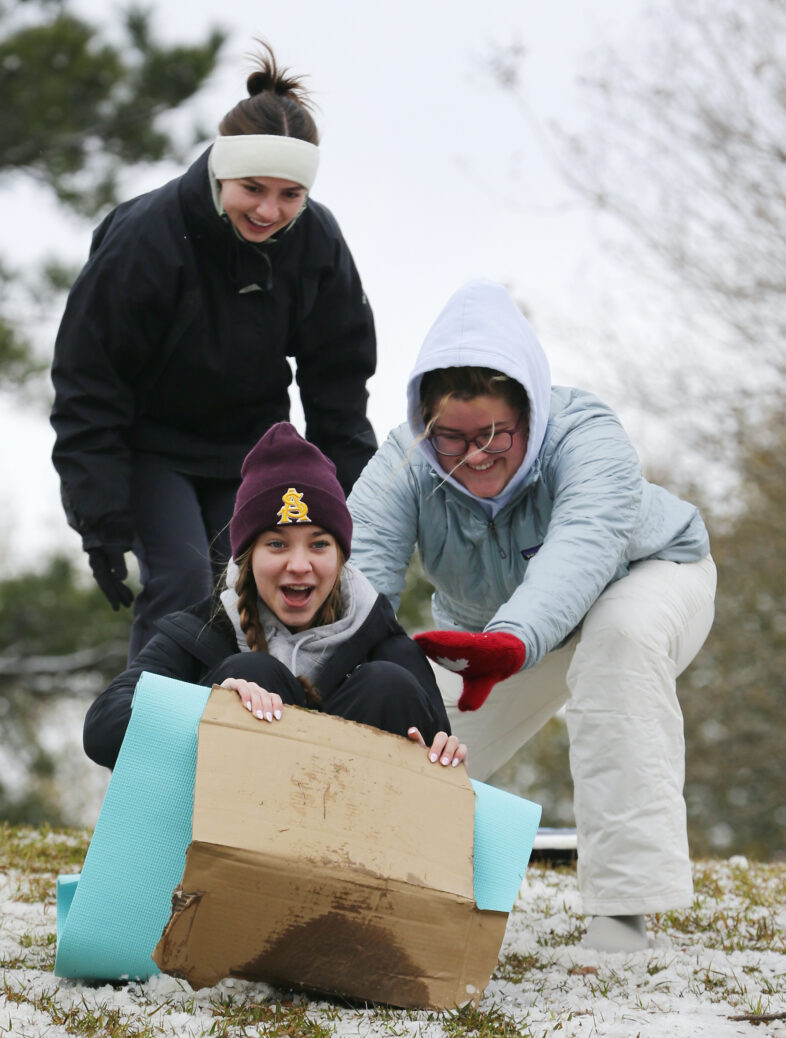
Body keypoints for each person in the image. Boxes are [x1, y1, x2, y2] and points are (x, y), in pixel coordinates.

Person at [347, 278, 717, 953]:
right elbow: (361, 580)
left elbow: (583, 546)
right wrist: (337, 673)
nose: (474, 454)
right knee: (407, 735)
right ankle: (359, 887)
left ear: (530, 413)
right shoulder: (402, 461)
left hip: (642, 580)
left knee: (620, 645)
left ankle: (623, 918)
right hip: (493, 636)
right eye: (451, 438)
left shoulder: (587, 434)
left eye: (492, 432)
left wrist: (514, 640)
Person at [50, 43, 377, 660]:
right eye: (253, 188)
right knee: (179, 583)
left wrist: (348, 505)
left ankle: (249, 733)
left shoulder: (316, 243)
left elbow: (338, 382)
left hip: (250, 450)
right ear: (222, 172)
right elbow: (88, 380)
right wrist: (100, 518)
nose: (269, 211)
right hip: (154, 450)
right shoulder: (147, 240)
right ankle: (149, 733)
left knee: (248, 587)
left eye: (289, 196)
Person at [83, 423, 463, 774]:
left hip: (353, 833)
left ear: (341, 556)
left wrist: (445, 753)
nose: (299, 565)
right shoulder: (200, 631)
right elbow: (103, 726)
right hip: (232, 833)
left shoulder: (385, 642)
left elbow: (448, 769)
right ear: (247, 557)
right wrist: (208, 709)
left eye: (318, 545)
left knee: (388, 685)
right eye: (277, 544)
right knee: (251, 674)